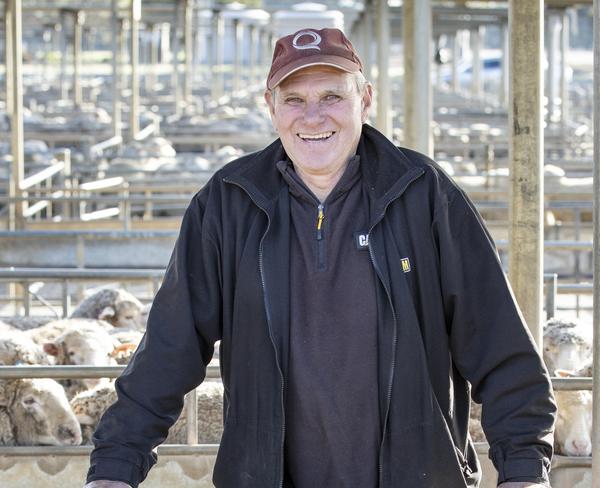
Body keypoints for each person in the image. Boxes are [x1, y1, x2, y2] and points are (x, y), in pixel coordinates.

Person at [84, 28, 555, 488]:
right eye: (294, 100)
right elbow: (171, 345)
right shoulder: (228, 203)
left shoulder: (423, 194)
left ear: (365, 99)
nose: (313, 117)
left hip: (416, 473)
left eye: (332, 96)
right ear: (271, 108)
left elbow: (496, 339)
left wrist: (525, 468)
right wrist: (114, 466)